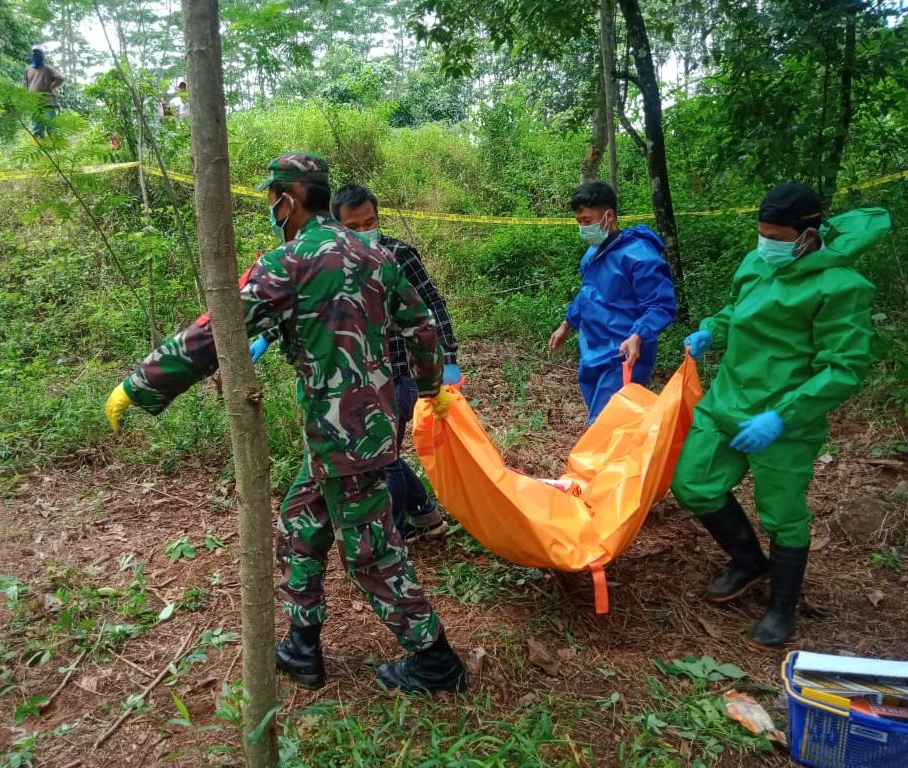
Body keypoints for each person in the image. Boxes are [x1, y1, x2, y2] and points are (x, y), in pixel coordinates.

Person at [103, 152, 467, 694]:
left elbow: (213, 331)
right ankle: (302, 646)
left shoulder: (288, 262)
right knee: (300, 524)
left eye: (273, 199)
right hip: (356, 428)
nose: (272, 209)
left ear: (288, 199)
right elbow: (422, 326)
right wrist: (433, 384)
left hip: (343, 438)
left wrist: (141, 382)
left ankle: (436, 660)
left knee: (371, 553)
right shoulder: (376, 253)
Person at [672, 183, 889, 649]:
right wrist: (709, 330)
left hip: (784, 422)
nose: (765, 244)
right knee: (692, 482)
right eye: (762, 234)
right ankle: (749, 562)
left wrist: (781, 417)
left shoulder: (841, 287)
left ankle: (783, 606)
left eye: (775, 236)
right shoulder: (758, 263)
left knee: (782, 513)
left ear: (808, 235)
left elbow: (843, 368)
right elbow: (735, 310)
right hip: (727, 402)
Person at [251, 183, 459, 542]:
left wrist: (448, 359)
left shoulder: (397, 254)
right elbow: (312, 308)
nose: (365, 231)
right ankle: (424, 514)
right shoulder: (330, 260)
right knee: (386, 453)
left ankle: (390, 538)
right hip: (356, 381)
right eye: (355, 226)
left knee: (383, 459)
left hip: (399, 373)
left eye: (371, 222)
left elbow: (431, 306)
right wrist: (267, 336)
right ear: (337, 223)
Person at [548, 182, 677, 423]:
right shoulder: (592, 254)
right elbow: (588, 294)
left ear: (609, 215)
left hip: (624, 352)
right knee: (607, 421)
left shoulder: (639, 255)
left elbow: (661, 304)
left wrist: (639, 334)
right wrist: (567, 324)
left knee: (607, 424)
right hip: (592, 350)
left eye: (587, 221)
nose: (583, 228)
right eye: (579, 222)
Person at [24, 45, 64, 138]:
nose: (37, 56)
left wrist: (51, 86)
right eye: (35, 54)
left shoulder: (47, 69)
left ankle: (55, 149)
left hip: (47, 103)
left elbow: (61, 78)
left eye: (39, 55)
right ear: (32, 55)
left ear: (42, 57)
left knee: (51, 127)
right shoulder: (28, 69)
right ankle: (39, 149)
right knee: (37, 129)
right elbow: (27, 85)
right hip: (34, 104)